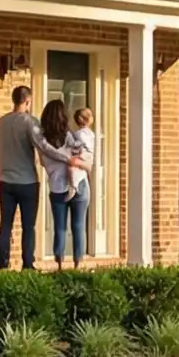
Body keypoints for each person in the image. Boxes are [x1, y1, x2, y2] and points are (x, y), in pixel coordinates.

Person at [0, 87, 44, 270]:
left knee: (5, 224)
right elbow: (41, 146)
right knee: (28, 226)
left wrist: (0, 173)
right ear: (27, 101)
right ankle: (28, 264)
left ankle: (2, 264)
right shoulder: (30, 122)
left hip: (5, 181)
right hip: (27, 181)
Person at [34, 99, 91, 267]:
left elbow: (43, 162)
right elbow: (81, 155)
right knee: (79, 225)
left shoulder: (42, 141)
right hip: (79, 182)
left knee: (59, 227)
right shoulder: (70, 135)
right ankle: (78, 265)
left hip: (57, 186)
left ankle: (59, 264)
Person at [66, 105, 101, 264]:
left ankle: (68, 256)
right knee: (80, 223)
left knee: (72, 224)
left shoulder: (75, 137)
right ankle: (78, 260)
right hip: (84, 180)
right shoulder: (92, 137)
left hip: (75, 179)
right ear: (89, 120)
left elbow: (71, 160)